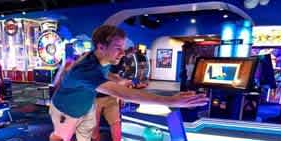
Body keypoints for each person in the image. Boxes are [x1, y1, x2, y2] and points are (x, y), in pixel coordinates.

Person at [49, 25, 208, 141]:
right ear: (101, 47)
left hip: (82, 106)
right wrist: (170, 100)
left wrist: (115, 78)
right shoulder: (86, 70)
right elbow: (121, 93)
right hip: (65, 110)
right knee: (61, 137)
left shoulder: (102, 59)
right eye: (118, 47)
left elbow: (104, 73)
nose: (123, 53)